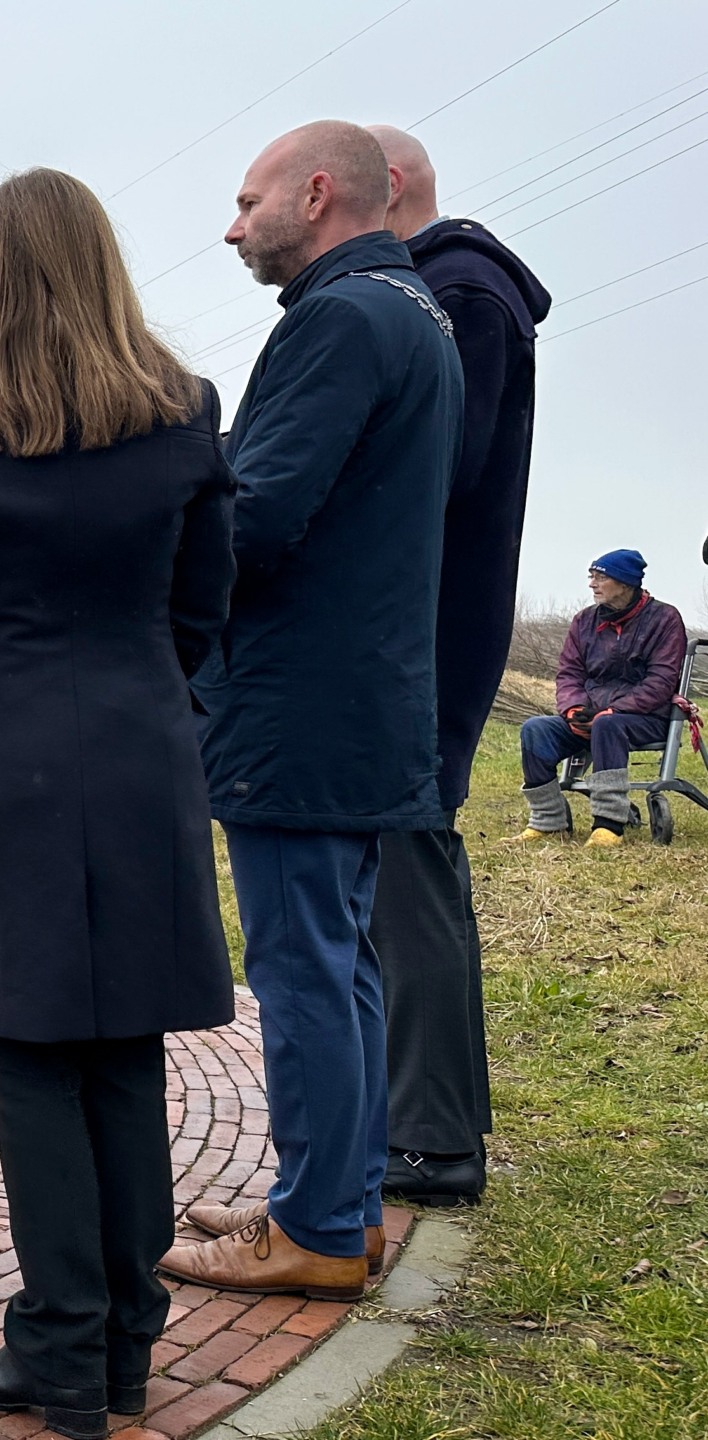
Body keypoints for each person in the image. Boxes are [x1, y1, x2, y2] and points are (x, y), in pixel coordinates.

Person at [0, 167, 237, 1440]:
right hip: (139, 745)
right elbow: (203, 605)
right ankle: (124, 1349)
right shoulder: (183, 408)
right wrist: (142, 689)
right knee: (123, 1052)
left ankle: (63, 1354)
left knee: (31, 1061)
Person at [160, 122, 462, 1303]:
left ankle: (323, 1229)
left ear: (317, 193)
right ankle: (325, 1196)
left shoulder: (337, 319)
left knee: (299, 970)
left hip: (300, 710)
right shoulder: (410, 311)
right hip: (359, 701)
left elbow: (255, 519)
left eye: (246, 203)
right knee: (336, 966)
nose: (233, 228)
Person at [361, 125, 551, 1208]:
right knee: (410, 867)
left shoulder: (461, 294)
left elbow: (442, 467)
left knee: (406, 866)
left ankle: (431, 1139)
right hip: (416, 631)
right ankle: (436, 1121)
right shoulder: (452, 289)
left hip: (416, 635)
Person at [518, 551, 689, 845]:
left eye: (601, 577)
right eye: (591, 576)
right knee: (536, 729)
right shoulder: (583, 621)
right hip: (592, 716)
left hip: (645, 718)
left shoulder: (665, 619)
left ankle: (609, 824)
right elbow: (569, 673)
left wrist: (611, 711)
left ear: (626, 583)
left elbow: (660, 682)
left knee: (608, 725)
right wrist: (573, 709)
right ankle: (548, 821)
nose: (592, 584)